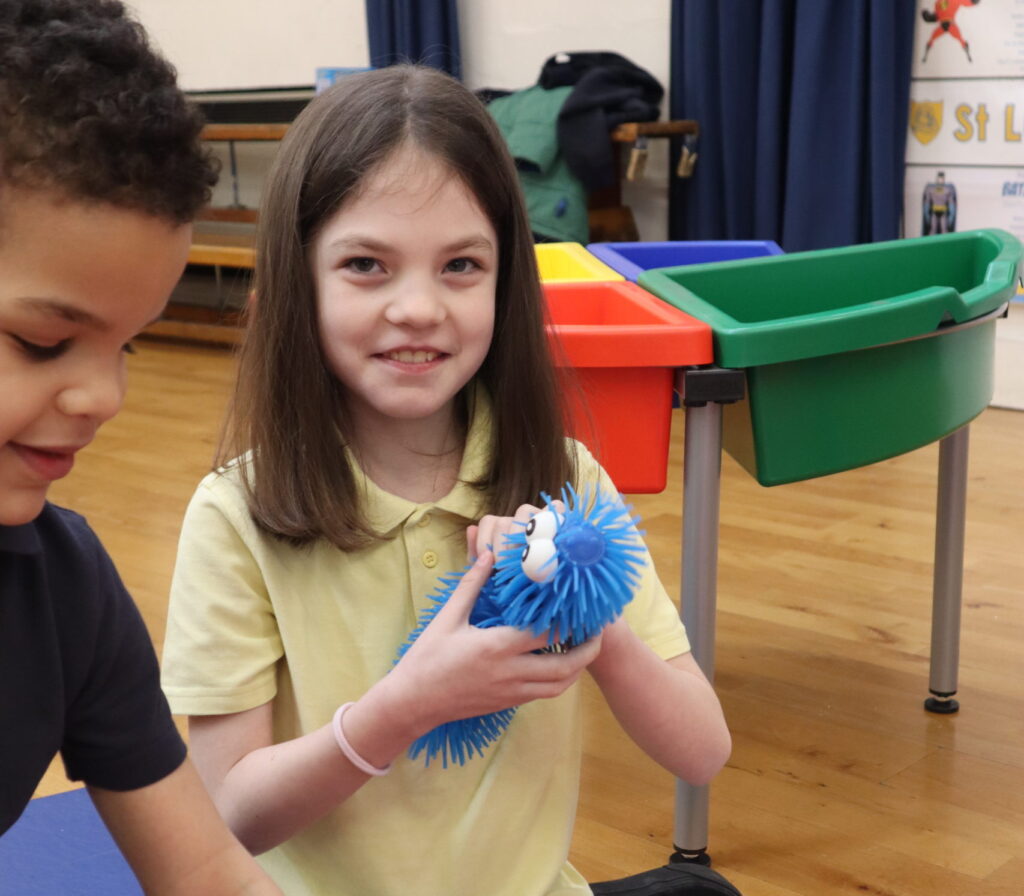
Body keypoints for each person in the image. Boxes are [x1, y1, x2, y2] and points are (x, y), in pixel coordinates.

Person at [161, 64, 732, 896]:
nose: (420, 309)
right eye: (367, 264)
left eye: (461, 265)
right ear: (298, 278)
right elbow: (229, 814)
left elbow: (702, 750)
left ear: (505, 279)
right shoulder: (236, 516)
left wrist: (589, 620)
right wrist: (404, 708)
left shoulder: (567, 485)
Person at [0, 2, 282, 892]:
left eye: (127, 345)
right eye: (42, 342)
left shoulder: (64, 586)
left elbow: (205, 869)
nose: (105, 398)